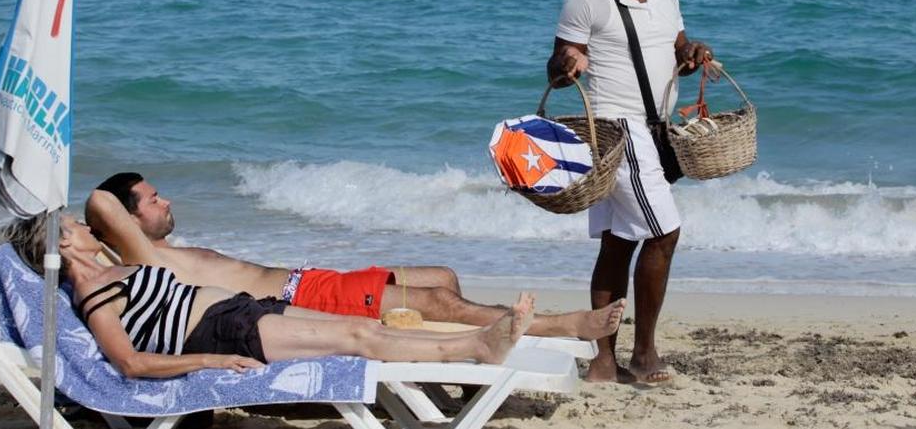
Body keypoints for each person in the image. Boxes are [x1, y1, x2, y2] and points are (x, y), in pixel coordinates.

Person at [86, 172, 624, 340]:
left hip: (310, 279)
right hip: (298, 300)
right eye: (154, 199)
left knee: (443, 275)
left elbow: (108, 205)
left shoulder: (159, 252)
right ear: (128, 221)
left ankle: (458, 362)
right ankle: (561, 325)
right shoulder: (141, 261)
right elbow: (98, 201)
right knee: (436, 299)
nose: (167, 200)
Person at [0, 214, 534, 377]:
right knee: (360, 333)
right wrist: (212, 359)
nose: (82, 222)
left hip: (243, 311)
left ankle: (476, 338)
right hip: (226, 330)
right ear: (66, 243)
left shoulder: (109, 272)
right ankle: (478, 347)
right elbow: (132, 362)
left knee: (376, 327)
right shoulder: (92, 290)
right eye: (70, 223)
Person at [545, 0, 713, 384]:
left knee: (619, 245)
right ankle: (643, 354)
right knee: (664, 233)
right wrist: (565, 67)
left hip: (655, 130)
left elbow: (677, 46)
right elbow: (556, 67)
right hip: (617, 130)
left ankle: (602, 362)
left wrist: (692, 52)